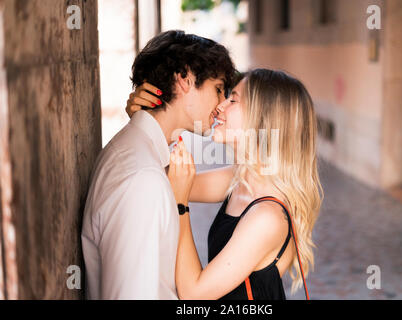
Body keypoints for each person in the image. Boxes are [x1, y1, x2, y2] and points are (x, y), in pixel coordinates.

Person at [127, 68, 323, 300]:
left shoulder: (268, 217)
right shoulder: (240, 180)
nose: (220, 106)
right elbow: (156, 178)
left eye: (233, 100)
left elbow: (194, 294)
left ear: (263, 119)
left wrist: (181, 204)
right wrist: (144, 119)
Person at [81, 30, 236, 299]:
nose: (222, 104)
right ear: (185, 78)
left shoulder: (142, 155)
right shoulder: (143, 179)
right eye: (219, 89)